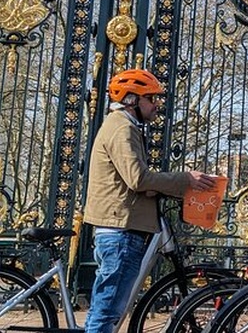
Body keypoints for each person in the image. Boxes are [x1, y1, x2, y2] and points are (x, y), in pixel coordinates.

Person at [83, 69, 215, 333]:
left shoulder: (122, 125)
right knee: (107, 314)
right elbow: (138, 179)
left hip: (121, 228)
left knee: (105, 311)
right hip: (121, 231)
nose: (157, 104)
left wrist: (162, 187)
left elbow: (130, 180)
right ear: (132, 99)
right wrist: (186, 180)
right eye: (151, 98)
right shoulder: (121, 127)